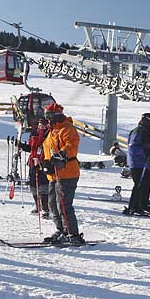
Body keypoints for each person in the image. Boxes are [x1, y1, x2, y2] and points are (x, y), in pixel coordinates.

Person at [42, 103, 83, 244]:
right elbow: (47, 148)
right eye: (46, 115)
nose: (47, 119)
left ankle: (72, 233)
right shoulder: (52, 131)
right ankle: (61, 229)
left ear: (57, 115)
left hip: (67, 172)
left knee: (63, 204)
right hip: (54, 173)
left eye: (49, 115)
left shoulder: (67, 129)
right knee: (52, 203)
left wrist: (61, 155)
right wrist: (45, 161)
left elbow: (71, 145)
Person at [17, 116, 51, 217]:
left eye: (43, 125)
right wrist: (21, 146)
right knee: (33, 186)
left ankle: (45, 209)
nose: (41, 126)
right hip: (33, 162)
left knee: (44, 186)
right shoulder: (34, 133)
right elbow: (31, 148)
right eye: (40, 125)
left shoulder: (49, 134)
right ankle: (38, 206)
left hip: (44, 162)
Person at [123, 113, 150, 216]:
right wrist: (145, 152)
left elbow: (147, 145)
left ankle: (141, 205)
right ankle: (133, 206)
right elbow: (133, 147)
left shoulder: (146, 131)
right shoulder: (138, 131)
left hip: (145, 162)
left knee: (145, 185)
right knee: (139, 185)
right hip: (137, 162)